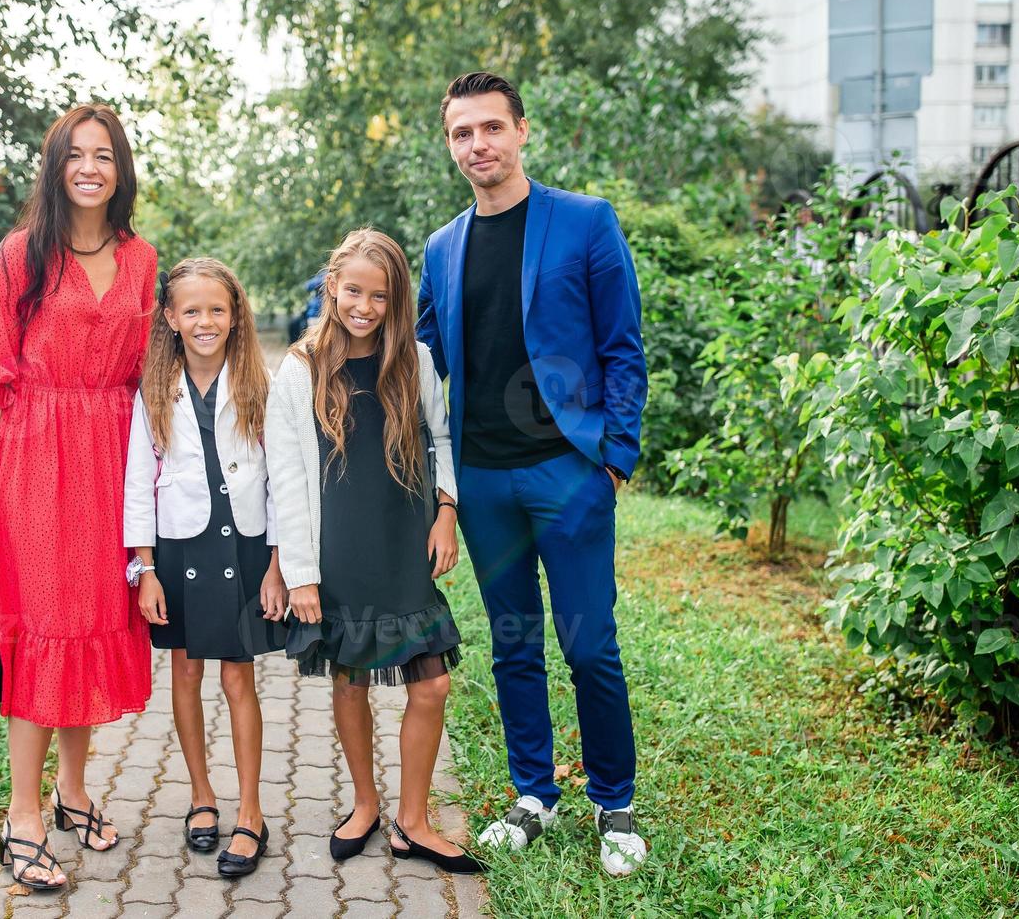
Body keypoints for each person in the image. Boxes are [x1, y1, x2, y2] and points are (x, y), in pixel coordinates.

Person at [416, 72, 649, 876]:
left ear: (521, 132)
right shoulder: (443, 247)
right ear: (450, 145)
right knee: (514, 643)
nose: (476, 144)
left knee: (590, 646)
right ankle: (533, 795)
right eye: (461, 134)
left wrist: (614, 457)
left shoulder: (584, 222)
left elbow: (623, 344)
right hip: (483, 483)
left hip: (568, 472)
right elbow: (418, 356)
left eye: (490, 128)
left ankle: (613, 803)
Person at [0, 104, 156, 891]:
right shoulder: (21, 255)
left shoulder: (142, 259)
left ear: (120, 169)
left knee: (91, 622)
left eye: (104, 155)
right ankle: (23, 816)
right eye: (76, 155)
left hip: (112, 461)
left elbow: (148, 378)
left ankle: (73, 794)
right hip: (36, 460)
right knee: (37, 630)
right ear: (55, 167)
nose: (90, 168)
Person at [265, 228, 482, 874]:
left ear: (396, 301)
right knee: (350, 678)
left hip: (404, 546)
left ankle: (412, 821)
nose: (363, 305)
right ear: (332, 286)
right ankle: (364, 805)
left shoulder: (413, 359)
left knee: (433, 684)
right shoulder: (301, 368)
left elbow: (442, 439)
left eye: (379, 296)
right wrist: (300, 575)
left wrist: (446, 513)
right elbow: (287, 477)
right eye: (353, 290)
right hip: (339, 553)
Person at [123, 257, 288, 879]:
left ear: (235, 315)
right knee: (186, 674)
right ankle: (201, 796)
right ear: (170, 318)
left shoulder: (257, 385)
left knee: (238, 680)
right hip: (179, 550)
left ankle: (251, 811)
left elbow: (279, 481)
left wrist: (278, 564)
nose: (205, 321)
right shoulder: (152, 393)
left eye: (217, 309)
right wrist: (144, 570)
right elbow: (139, 482)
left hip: (244, 547)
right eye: (191, 310)